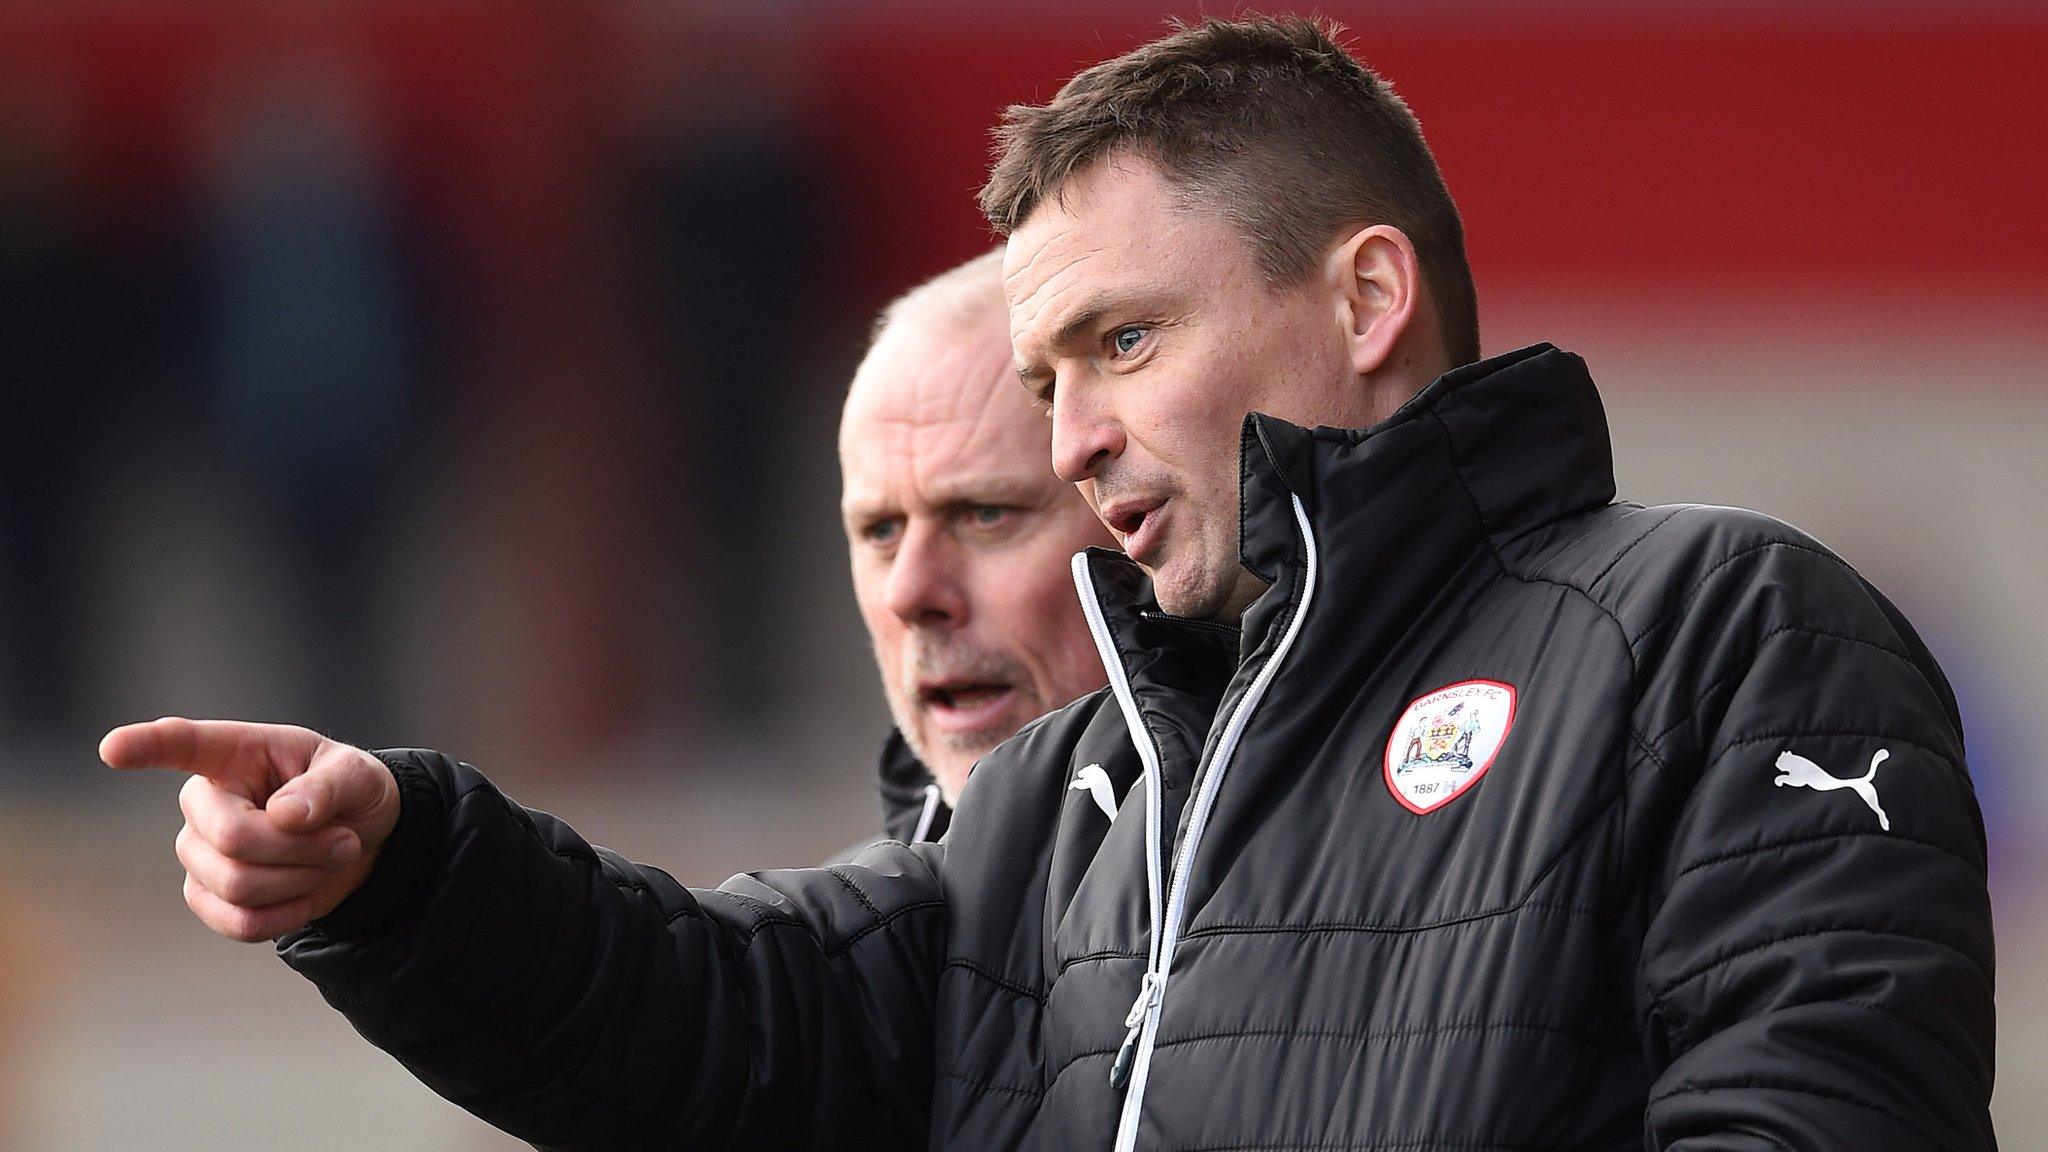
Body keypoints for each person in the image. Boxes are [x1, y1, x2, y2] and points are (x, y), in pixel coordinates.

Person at [102, 16, 1995, 1152]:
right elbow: (714, 1008)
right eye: (1047, 378)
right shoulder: (1081, 788)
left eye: (1122, 340)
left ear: (1363, 297)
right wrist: (406, 867)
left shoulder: (1720, 633)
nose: (1073, 435)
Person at [841, 249, 1115, 843]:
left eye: (986, 514)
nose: (908, 593)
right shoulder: (855, 927)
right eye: (881, 531)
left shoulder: (1296, 893)